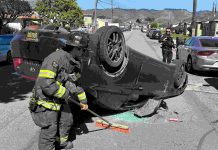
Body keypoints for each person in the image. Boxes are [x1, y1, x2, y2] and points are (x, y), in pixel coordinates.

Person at [28, 31, 89, 150]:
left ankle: (62, 142)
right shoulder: (56, 58)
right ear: (76, 48)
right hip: (46, 101)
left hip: (59, 97)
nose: (84, 52)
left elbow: (73, 83)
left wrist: (84, 101)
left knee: (67, 120)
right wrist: (66, 94)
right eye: (83, 49)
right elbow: (47, 84)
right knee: (49, 130)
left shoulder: (73, 62)